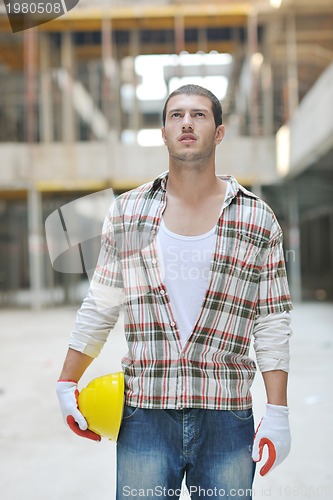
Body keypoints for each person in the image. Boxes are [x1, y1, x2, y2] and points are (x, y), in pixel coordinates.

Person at [56, 84, 292, 499]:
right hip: (145, 411)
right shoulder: (128, 213)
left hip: (226, 414)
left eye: (200, 114)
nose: (186, 122)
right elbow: (101, 305)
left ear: (219, 132)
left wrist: (278, 412)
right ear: (164, 132)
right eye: (176, 115)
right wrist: (66, 382)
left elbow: (272, 321)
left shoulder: (257, 218)